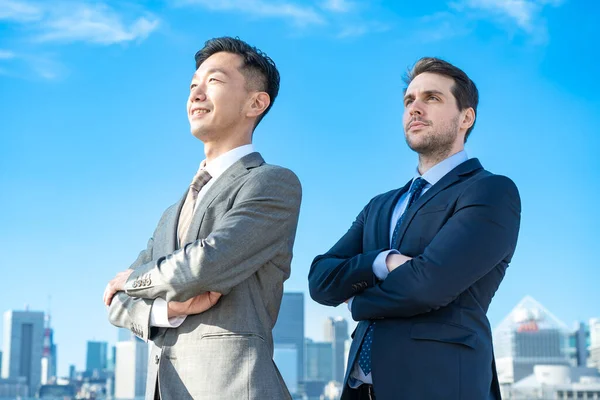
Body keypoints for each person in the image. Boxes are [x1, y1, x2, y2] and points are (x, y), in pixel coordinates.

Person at [309, 57, 521, 400]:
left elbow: (427, 286)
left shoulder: (490, 191)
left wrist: (354, 303)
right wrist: (385, 262)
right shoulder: (380, 205)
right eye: (409, 101)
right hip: (360, 391)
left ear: (466, 117)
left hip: (441, 385)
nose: (415, 108)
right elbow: (320, 279)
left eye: (432, 98)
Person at [103, 36, 302, 400]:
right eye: (193, 85)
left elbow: (205, 264)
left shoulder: (272, 182)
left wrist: (133, 280)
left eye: (213, 81)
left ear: (256, 103)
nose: (195, 94)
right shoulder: (170, 214)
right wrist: (167, 309)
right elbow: (116, 306)